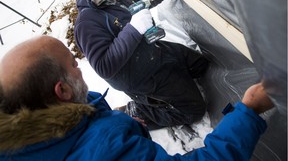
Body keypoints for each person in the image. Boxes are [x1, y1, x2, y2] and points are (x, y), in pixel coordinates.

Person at [0, 35, 274, 160]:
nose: (79, 67)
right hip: (136, 75)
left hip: (143, 71)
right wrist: (249, 109)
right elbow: (105, 65)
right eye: (73, 64)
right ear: (62, 92)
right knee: (191, 109)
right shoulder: (106, 150)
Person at [69, 0, 210, 130]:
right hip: (143, 78)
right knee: (195, 110)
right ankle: (138, 111)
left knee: (201, 65)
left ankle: (175, 86)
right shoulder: (87, 24)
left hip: (157, 51)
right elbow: (104, 66)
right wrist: (134, 29)